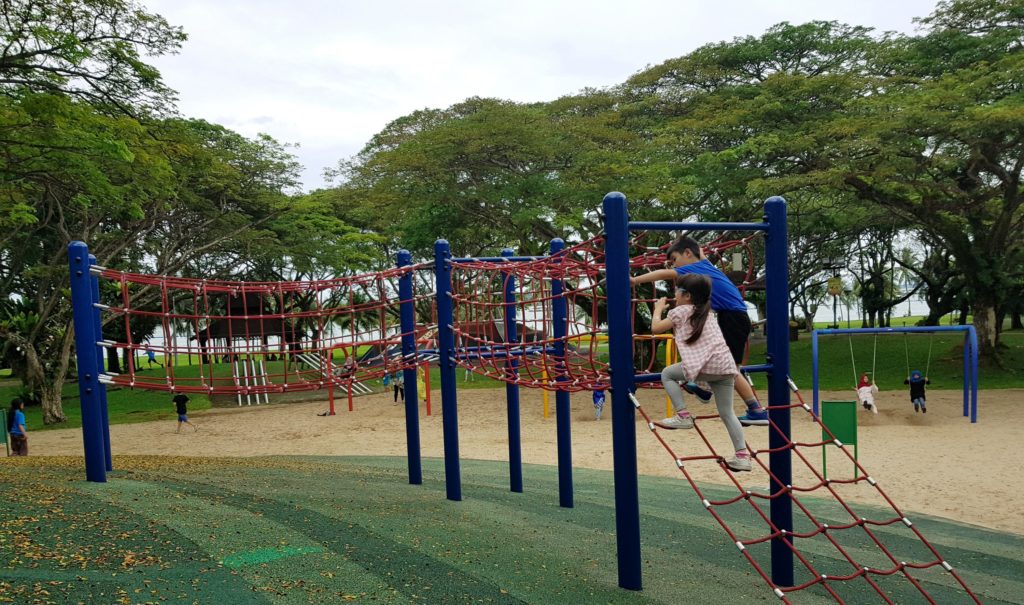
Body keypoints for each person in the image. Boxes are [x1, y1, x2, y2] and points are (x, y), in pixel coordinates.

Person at [631, 236, 768, 427]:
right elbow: (697, 248)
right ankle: (704, 390)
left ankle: (756, 410)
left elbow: (665, 273)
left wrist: (634, 280)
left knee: (731, 369)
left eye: (675, 260)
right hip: (732, 317)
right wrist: (684, 240)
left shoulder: (692, 268)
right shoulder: (703, 263)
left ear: (687, 254)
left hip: (732, 318)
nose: (674, 265)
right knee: (720, 362)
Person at [649, 274, 752, 472]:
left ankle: (683, 415)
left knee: (667, 374)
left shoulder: (680, 311)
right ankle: (742, 456)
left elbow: (655, 328)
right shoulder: (708, 311)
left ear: (687, 295)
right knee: (728, 413)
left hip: (705, 367)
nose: (674, 294)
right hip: (726, 368)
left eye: (677, 291)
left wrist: (658, 309)